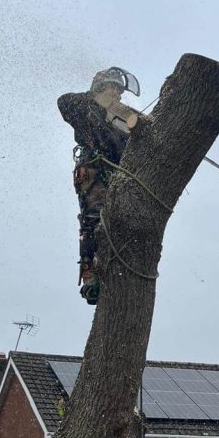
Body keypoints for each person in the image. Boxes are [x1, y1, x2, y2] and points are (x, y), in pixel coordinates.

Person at [58, 67, 141, 304]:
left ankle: (117, 268)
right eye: (112, 89)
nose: (116, 95)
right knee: (94, 219)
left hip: (118, 176)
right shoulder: (85, 108)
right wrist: (95, 99)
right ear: (100, 88)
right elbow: (64, 102)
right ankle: (90, 274)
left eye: (119, 91)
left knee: (121, 222)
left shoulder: (121, 120)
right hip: (93, 169)